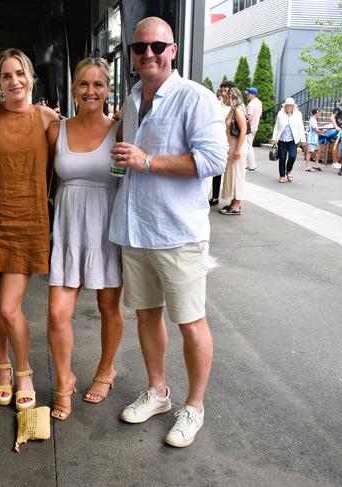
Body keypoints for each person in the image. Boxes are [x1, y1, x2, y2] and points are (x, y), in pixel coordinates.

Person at [109, 17, 228, 448]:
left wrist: (148, 161)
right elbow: (126, 158)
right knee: (146, 315)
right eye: (140, 48)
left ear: (173, 50)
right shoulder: (131, 99)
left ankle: (193, 407)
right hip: (136, 229)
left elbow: (214, 160)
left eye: (157, 46)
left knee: (191, 322)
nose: (149, 54)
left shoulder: (195, 98)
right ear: (132, 55)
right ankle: (157, 392)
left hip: (178, 232)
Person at [0, 48, 58, 411]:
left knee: (9, 307)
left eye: (20, 73)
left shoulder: (46, 118)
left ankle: (24, 370)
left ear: (31, 77)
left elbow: (75, 153)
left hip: (28, 223)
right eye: (6, 76)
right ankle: (2, 366)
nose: (14, 81)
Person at [46, 57, 124, 421]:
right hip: (67, 228)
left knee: (109, 307)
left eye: (98, 84)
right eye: (83, 84)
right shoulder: (55, 130)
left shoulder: (120, 129)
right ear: (74, 88)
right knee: (57, 314)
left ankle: (106, 369)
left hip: (107, 227)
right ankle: (64, 381)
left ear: (108, 89)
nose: (91, 91)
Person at [219, 86, 248, 216]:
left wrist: (237, 149)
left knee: (238, 176)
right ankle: (234, 203)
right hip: (233, 147)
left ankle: (236, 205)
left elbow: (244, 130)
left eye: (225, 95)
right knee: (233, 175)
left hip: (238, 147)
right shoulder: (233, 110)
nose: (223, 96)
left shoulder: (237, 111)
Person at [210, 80, 235, 206]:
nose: (223, 93)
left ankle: (233, 200)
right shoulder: (218, 104)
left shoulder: (235, 107)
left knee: (231, 172)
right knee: (216, 171)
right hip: (219, 142)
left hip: (231, 143)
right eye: (222, 90)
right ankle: (215, 197)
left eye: (225, 91)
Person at [271, 97, 306, 183]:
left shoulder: (298, 114)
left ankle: (288, 170)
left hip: (293, 140)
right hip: (282, 140)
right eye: (287, 106)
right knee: (282, 157)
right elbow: (276, 126)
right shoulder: (280, 113)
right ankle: (282, 175)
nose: (289, 107)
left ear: (293, 106)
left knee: (293, 156)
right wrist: (274, 138)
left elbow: (300, 127)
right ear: (285, 106)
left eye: (291, 106)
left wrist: (303, 140)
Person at [244, 87, 262, 172]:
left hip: (249, 128)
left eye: (248, 94)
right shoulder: (259, 102)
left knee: (248, 146)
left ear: (252, 94)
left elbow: (249, 117)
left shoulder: (251, 104)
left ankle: (252, 166)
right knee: (249, 145)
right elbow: (260, 114)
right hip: (255, 127)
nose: (247, 95)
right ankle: (249, 165)